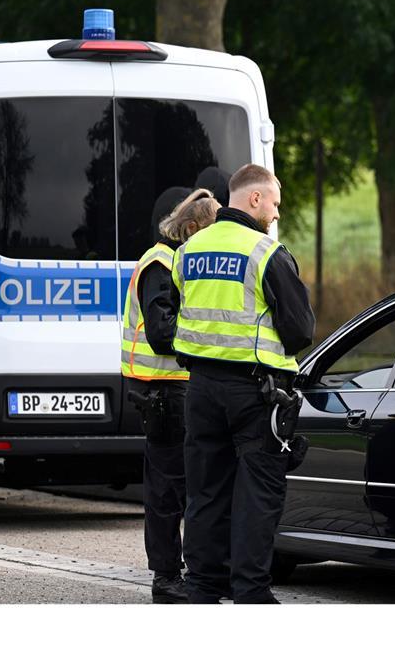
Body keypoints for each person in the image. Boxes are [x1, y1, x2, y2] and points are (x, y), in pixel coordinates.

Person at [172, 164, 315, 604]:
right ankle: (251, 593)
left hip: (199, 388)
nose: (276, 213)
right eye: (273, 202)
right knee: (258, 492)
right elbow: (300, 329)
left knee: (204, 492)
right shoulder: (264, 252)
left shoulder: (188, 250)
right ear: (254, 198)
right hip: (253, 392)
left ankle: (201, 587)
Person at [122, 188, 220, 603]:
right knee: (167, 488)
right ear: (191, 228)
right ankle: (166, 576)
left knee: (180, 484)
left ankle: (183, 571)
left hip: (172, 388)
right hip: (162, 389)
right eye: (210, 234)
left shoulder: (174, 261)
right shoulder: (161, 264)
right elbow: (163, 335)